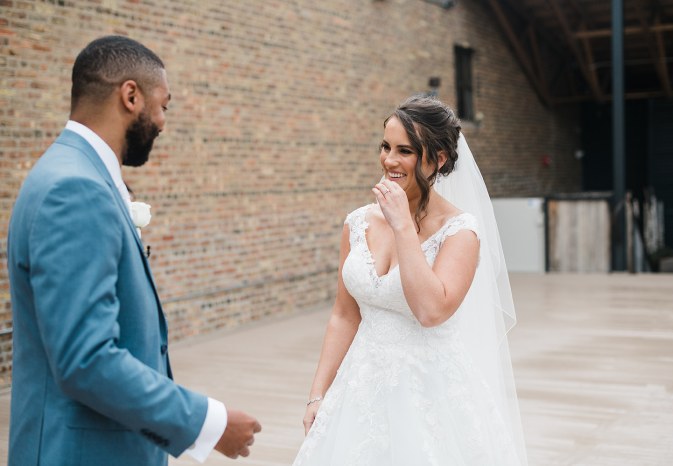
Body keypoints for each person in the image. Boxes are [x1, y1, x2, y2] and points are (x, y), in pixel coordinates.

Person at [6, 36, 260, 465]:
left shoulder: (69, 170)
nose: (162, 122)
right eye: (163, 106)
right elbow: (86, 359)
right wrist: (207, 423)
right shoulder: (76, 189)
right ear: (130, 96)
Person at [293, 95, 528, 465]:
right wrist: (317, 394)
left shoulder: (459, 231)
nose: (389, 160)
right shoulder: (358, 222)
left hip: (430, 396)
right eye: (385, 146)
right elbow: (344, 315)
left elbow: (431, 311)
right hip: (359, 389)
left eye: (405, 151)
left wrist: (403, 225)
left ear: (439, 159)